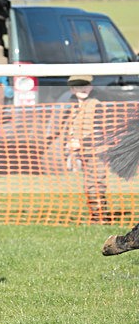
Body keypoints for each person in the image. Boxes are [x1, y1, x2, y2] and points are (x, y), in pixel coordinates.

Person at [61, 74, 110, 223]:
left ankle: (101, 216)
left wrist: (81, 143)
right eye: (78, 86)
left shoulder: (96, 105)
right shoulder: (72, 106)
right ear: (72, 89)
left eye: (85, 85)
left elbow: (98, 131)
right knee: (88, 185)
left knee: (96, 183)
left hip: (97, 151)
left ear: (91, 86)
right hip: (81, 152)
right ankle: (95, 214)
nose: (82, 89)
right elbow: (67, 127)